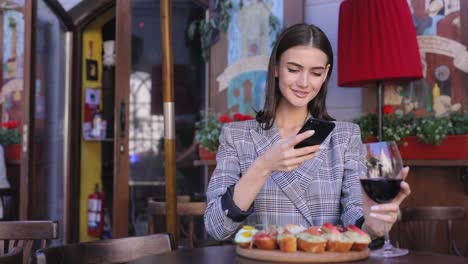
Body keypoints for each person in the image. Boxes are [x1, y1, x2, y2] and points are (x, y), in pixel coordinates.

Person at [204, 24, 411, 241]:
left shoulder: (345, 137)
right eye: (293, 69)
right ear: (275, 68)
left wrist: (372, 226)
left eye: (316, 73)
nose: (303, 83)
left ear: (325, 75)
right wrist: (263, 166)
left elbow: (356, 211)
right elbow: (216, 227)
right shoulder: (236, 136)